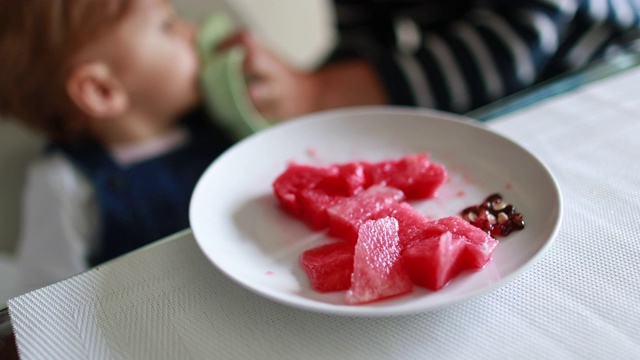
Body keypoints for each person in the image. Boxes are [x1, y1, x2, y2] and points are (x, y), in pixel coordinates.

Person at [0, 0, 234, 291]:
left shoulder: (223, 120)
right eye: (167, 25)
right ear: (102, 90)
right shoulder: (65, 182)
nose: (191, 32)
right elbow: (47, 302)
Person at [221, 0, 640, 121]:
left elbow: (512, 40)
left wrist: (315, 94)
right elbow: (364, 39)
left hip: (603, 70)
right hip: (487, 88)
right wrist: (306, 89)